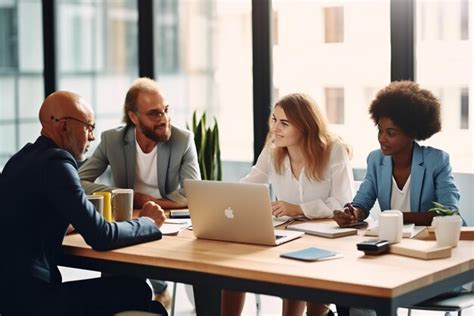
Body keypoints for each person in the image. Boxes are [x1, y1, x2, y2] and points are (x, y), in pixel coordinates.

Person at [0, 91, 167, 315]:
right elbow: (102, 236)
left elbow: (30, 217)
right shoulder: (57, 162)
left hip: (9, 298)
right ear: (64, 126)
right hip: (36, 301)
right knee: (137, 289)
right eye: (89, 127)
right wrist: (148, 222)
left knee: (144, 300)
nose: (92, 137)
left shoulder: (20, 159)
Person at [333, 81, 460, 316]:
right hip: (389, 254)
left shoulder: (436, 161)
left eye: (391, 133)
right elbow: (363, 202)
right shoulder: (376, 160)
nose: (382, 138)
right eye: (380, 130)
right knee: (345, 291)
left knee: (371, 291)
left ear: (412, 133)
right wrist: (353, 214)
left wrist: (399, 217)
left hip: (427, 257)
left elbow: (448, 212)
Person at [221, 93, 355, 316]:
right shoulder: (273, 150)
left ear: (305, 126)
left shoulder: (333, 150)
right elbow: (249, 185)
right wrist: (221, 201)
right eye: (274, 120)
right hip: (288, 236)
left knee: (305, 278)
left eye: (284, 123)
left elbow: (343, 201)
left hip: (326, 238)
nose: (276, 128)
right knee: (234, 266)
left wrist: (299, 208)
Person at [78, 77, 201, 307]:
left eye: (165, 110)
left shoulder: (182, 140)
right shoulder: (112, 139)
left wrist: (153, 203)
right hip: (130, 216)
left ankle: (157, 291)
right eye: (154, 113)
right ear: (134, 117)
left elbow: (192, 192)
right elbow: (80, 180)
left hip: (168, 216)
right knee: (114, 268)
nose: (164, 119)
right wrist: (128, 196)